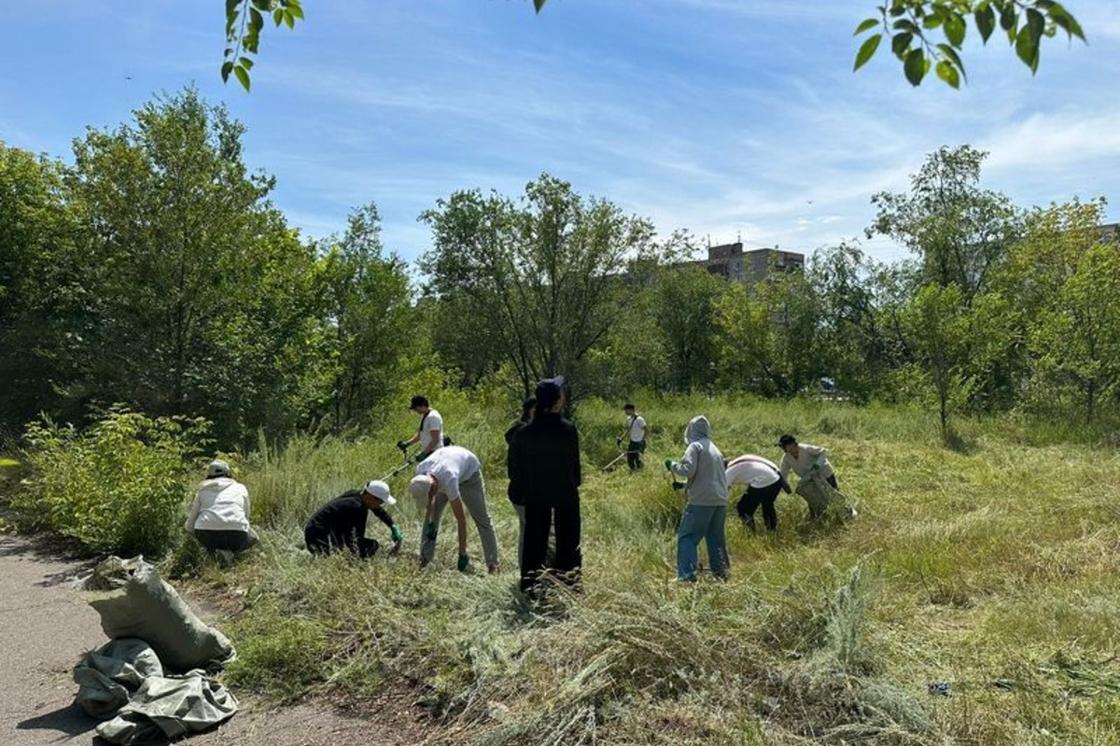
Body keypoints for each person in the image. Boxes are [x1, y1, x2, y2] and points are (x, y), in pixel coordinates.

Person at [509, 376, 582, 596]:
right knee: (568, 541)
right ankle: (569, 586)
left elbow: (514, 470)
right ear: (557, 401)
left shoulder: (523, 433)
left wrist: (523, 492)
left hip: (535, 495)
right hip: (565, 494)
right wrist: (574, 484)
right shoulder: (568, 429)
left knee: (534, 542)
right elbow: (574, 466)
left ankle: (532, 587)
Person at [408, 445, 499, 574]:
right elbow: (429, 503)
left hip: (469, 475)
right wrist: (431, 525)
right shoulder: (420, 473)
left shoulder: (449, 479)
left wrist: (462, 552)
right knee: (430, 521)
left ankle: (493, 564)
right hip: (444, 469)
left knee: (482, 518)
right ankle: (424, 560)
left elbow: (461, 519)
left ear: (434, 489)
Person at [666, 416, 729, 582]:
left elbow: (688, 470)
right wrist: (683, 486)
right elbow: (706, 476)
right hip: (720, 501)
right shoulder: (715, 449)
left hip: (701, 501)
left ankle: (687, 576)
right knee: (716, 539)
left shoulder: (695, 446)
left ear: (691, 429)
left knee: (687, 537)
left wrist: (672, 465)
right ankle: (722, 574)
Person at [304, 480, 402, 558]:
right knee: (370, 546)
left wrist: (392, 525)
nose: (380, 505)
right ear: (370, 497)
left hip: (313, 532)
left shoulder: (356, 495)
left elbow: (378, 510)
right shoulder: (357, 509)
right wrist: (379, 552)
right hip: (319, 541)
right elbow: (356, 542)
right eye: (380, 502)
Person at [185, 460, 258, 557]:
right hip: (237, 534)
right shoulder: (241, 488)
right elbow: (246, 516)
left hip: (206, 534)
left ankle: (213, 553)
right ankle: (231, 553)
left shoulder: (202, 490)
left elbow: (190, 522)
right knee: (254, 537)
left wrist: (192, 533)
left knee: (200, 532)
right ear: (228, 473)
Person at [726, 454, 791, 532]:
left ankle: (750, 534)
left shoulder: (727, 472)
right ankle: (772, 532)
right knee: (767, 505)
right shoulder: (738, 460)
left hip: (764, 480)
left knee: (743, 508)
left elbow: (722, 492)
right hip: (776, 479)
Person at [397, 395, 446, 462]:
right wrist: (407, 443)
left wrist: (424, 453)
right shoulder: (424, 416)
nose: (415, 411)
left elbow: (435, 440)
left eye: (416, 408)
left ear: (422, 406)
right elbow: (420, 435)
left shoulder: (433, 417)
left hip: (435, 454)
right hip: (428, 453)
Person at [617, 403, 647, 471]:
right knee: (630, 458)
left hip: (639, 442)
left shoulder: (640, 419)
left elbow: (646, 430)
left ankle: (640, 473)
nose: (625, 412)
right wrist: (621, 438)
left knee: (638, 459)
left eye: (626, 410)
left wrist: (642, 440)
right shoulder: (629, 419)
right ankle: (633, 471)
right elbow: (628, 430)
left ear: (631, 410)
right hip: (632, 442)